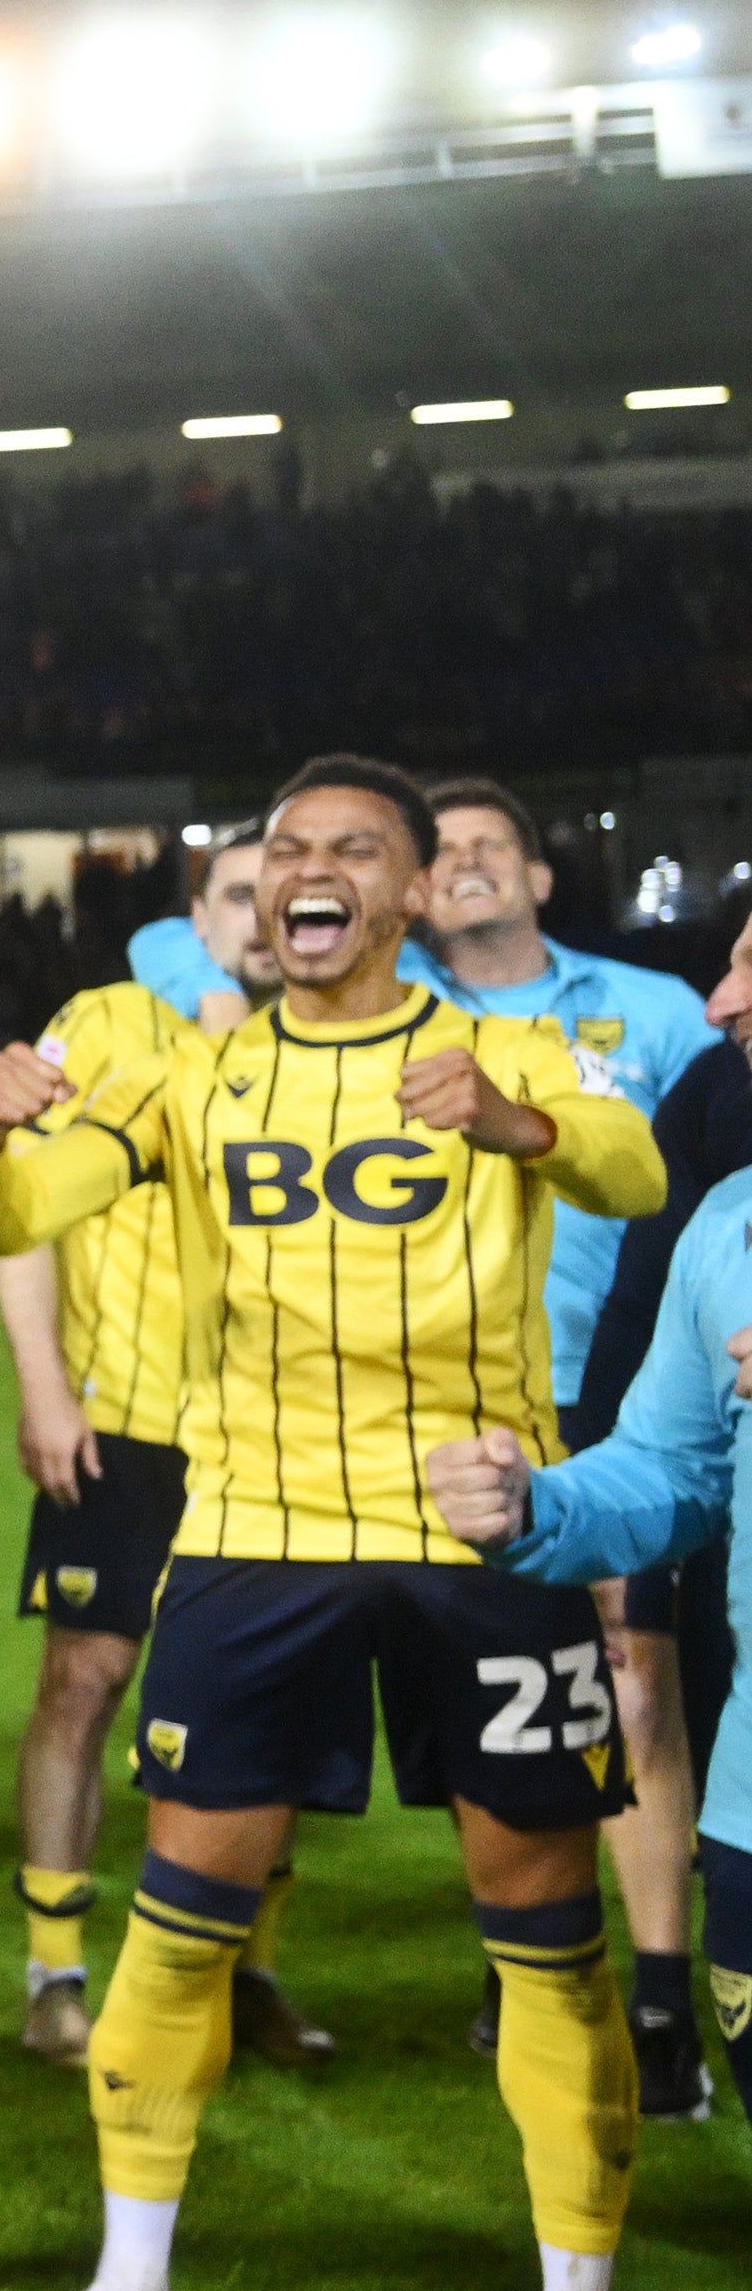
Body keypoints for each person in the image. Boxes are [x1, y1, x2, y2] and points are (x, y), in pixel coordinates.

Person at [0, 757, 678, 2291]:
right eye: (286, 851)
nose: (311, 871)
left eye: (355, 849)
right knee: (185, 1909)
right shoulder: (193, 1076)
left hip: (474, 1532)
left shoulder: (506, 1047)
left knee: (540, 1920)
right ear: (259, 895)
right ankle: (130, 2284)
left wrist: (519, 1128)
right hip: (255, 1533)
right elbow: (25, 1208)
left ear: (417, 893)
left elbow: (633, 1169)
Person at [0, 831, 329, 2072]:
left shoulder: (336, 1042)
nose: (260, 911)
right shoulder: (114, 1021)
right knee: (86, 1679)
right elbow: (19, 1205)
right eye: (236, 891)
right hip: (123, 1422)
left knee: (273, 1703)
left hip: (286, 1435)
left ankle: (251, 1972)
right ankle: (55, 1968)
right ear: (196, 913)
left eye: (277, 891)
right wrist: (43, 1390)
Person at [423, 777, 728, 2118]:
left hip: (624, 1381)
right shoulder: (387, 1025)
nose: (468, 865)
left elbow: (697, 1179)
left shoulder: (655, 1011)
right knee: (490, 1692)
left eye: (494, 845)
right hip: (453, 1402)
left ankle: (660, 1990)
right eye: (443, 854)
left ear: (542, 879)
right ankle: (526, 1941)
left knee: (633, 1674)